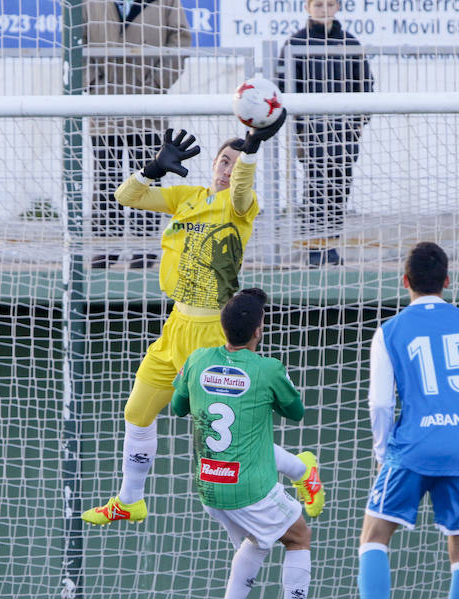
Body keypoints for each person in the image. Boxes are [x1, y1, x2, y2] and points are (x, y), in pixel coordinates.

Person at [81, 113, 323, 526]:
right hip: (176, 325)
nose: (229, 170)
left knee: (218, 431)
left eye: (236, 162)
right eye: (224, 161)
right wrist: (152, 169)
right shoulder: (185, 197)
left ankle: (302, 470)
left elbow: (243, 186)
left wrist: (252, 149)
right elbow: (127, 197)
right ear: (212, 165)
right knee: (137, 413)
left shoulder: (241, 205)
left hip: (213, 331)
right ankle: (129, 500)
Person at [357, 242, 459, 599]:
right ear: (447, 280)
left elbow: (381, 405)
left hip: (413, 449)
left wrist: (385, 454)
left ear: (405, 281)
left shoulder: (389, 331)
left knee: (374, 537)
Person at [171, 288, 324, 599]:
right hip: (249, 489)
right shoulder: (267, 369)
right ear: (259, 330)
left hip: (209, 487)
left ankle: (300, 470)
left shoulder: (197, 359)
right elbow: (296, 412)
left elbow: (176, 407)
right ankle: (303, 471)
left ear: (222, 327)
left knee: (257, 541)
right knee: (299, 537)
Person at [83, 0, 192, 269]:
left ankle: (145, 249)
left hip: (148, 111)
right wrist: (95, 84)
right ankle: (106, 247)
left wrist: (156, 84)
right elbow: (76, 41)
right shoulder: (87, 3)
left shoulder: (167, 2)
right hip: (104, 108)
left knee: (148, 176)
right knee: (106, 177)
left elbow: (179, 40)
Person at [276, 0, 373, 267]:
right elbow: (282, 86)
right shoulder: (295, 43)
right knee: (316, 188)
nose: (324, 9)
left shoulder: (350, 43)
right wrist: (300, 129)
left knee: (340, 188)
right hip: (312, 133)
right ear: (307, 8)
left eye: (330, 4)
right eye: (318, 4)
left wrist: (357, 123)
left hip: (344, 133)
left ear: (338, 7)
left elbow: (365, 84)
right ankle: (315, 248)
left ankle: (331, 245)